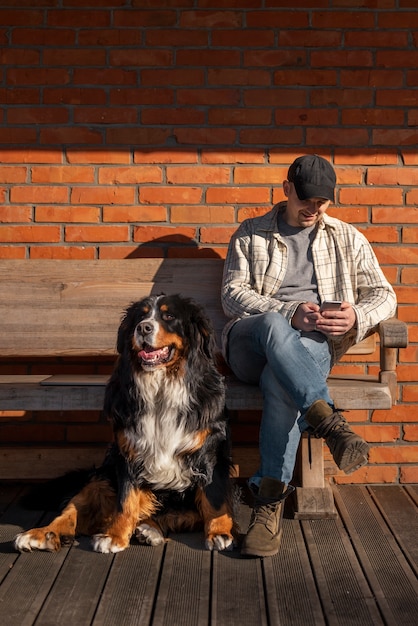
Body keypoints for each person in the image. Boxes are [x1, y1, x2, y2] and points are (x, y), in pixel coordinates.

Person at [221, 154, 397, 558]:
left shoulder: (346, 238)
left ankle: (267, 508)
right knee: (272, 325)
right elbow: (231, 295)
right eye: (305, 201)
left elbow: (385, 295)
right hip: (250, 343)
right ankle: (327, 420)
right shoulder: (251, 234)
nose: (313, 210)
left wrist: (357, 315)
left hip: (309, 351)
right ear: (286, 190)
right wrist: (288, 312)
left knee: (280, 385)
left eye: (321, 203)